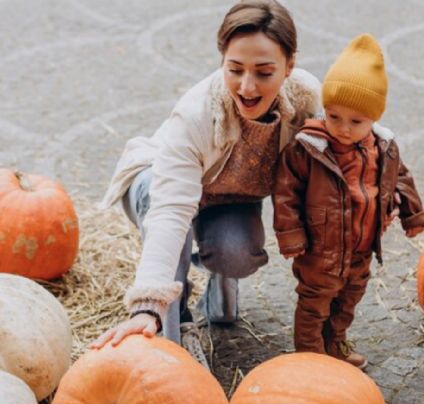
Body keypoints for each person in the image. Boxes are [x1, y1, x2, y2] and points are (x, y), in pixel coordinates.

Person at [90, 0, 322, 367]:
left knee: (239, 254)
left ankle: (217, 282)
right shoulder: (196, 114)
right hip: (158, 184)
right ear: (222, 61)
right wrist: (147, 305)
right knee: (166, 210)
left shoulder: (306, 99)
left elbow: (337, 148)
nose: (247, 86)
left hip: (231, 195)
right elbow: (169, 210)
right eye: (235, 69)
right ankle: (176, 325)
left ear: (289, 66)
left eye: (264, 72)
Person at [272, 33, 424, 369]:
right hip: (320, 247)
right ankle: (310, 354)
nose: (343, 128)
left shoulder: (383, 147)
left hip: (362, 246)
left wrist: (412, 216)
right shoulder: (309, 149)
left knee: (348, 298)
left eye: (356, 121)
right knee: (315, 301)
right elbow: (286, 194)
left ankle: (336, 341)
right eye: (333, 116)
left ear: (374, 118)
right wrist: (291, 236)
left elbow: (400, 177)